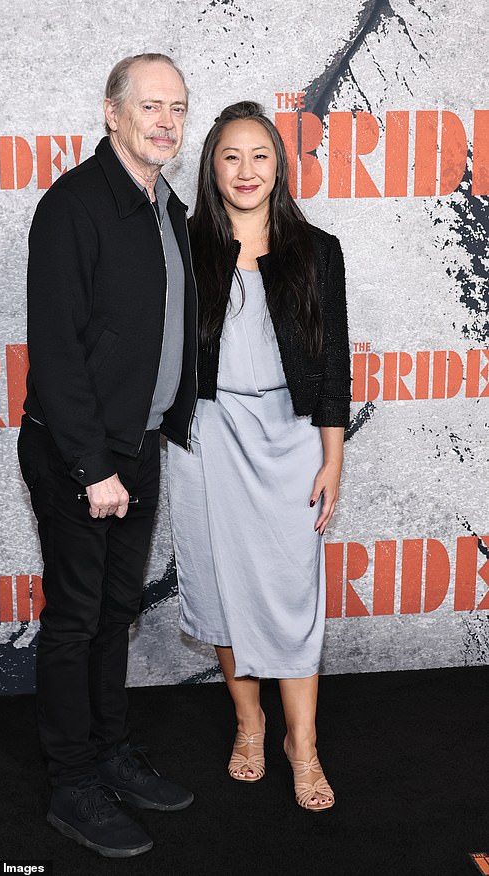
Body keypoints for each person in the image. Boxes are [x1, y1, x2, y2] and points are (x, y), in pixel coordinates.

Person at [17, 53, 197, 858]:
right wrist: (94, 469)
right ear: (111, 112)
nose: (166, 121)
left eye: (177, 108)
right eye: (150, 105)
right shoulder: (73, 206)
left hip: (140, 443)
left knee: (114, 615)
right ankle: (72, 784)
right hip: (79, 453)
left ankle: (110, 753)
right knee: (75, 620)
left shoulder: (166, 207)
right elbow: (56, 351)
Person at [167, 101, 351, 811]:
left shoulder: (318, 250)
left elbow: (333, 363)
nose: (246, 170)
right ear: (211, 168)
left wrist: (332, 458)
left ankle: (304, 745)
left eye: (260, 155)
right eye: (230, 156)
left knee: (291, 590)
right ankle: (250, 724)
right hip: (206, 435)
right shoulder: (182, 247)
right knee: (220, 583)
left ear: (279, 165)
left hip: (290, 434)